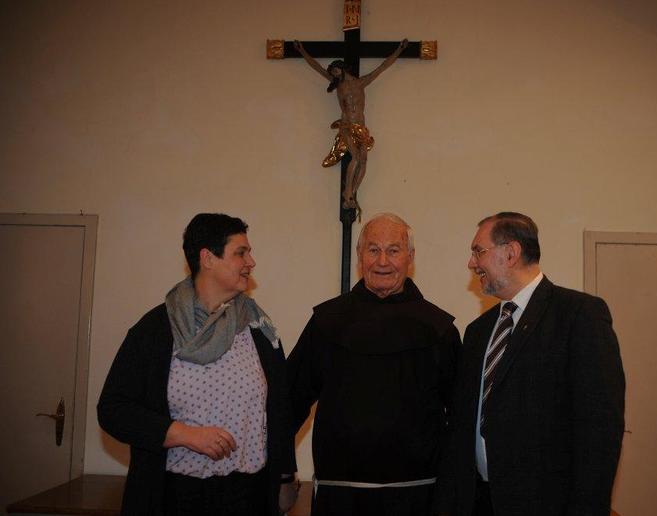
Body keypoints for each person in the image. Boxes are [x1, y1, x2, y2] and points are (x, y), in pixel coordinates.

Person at [97, 213, 298, 515]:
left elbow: (280, 408)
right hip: (174, 496)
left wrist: (284, 477)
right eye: (241, 252)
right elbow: (113, 409)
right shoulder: (155, 331)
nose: (251, 262)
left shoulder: (259, 329)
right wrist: (184, 434)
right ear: (208, 258)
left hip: (249, 496)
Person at [435, 212, 625, 516]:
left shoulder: (578, 315)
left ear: (511, 253)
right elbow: (461, 427)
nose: (472, 263)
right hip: (479, 503)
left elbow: (599, 428)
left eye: (478, 251)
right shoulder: (478, 331)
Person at [287, 212, 461, 516]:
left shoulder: (439, 330)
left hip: (418, 496)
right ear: (359, 255)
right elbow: (289, 400)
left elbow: (461, 416)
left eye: (393, 250)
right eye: (373, 249)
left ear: (410, 257)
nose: (382, 261)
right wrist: (281, 471)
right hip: (340, 496)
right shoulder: (326, 323)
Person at [294, 39, 408, 214]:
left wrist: (399, 49)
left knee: (363, 160)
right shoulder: (339, 85)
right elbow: (316, 67)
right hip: (346, 125)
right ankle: (347, 193)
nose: (334, 74)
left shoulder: (361, 82)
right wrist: (302, 51)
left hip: (361, 126)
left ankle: (353, 193)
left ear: (342, 68)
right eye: (332, 72)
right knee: (354, 156)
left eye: (335, 70)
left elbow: (383, 66)